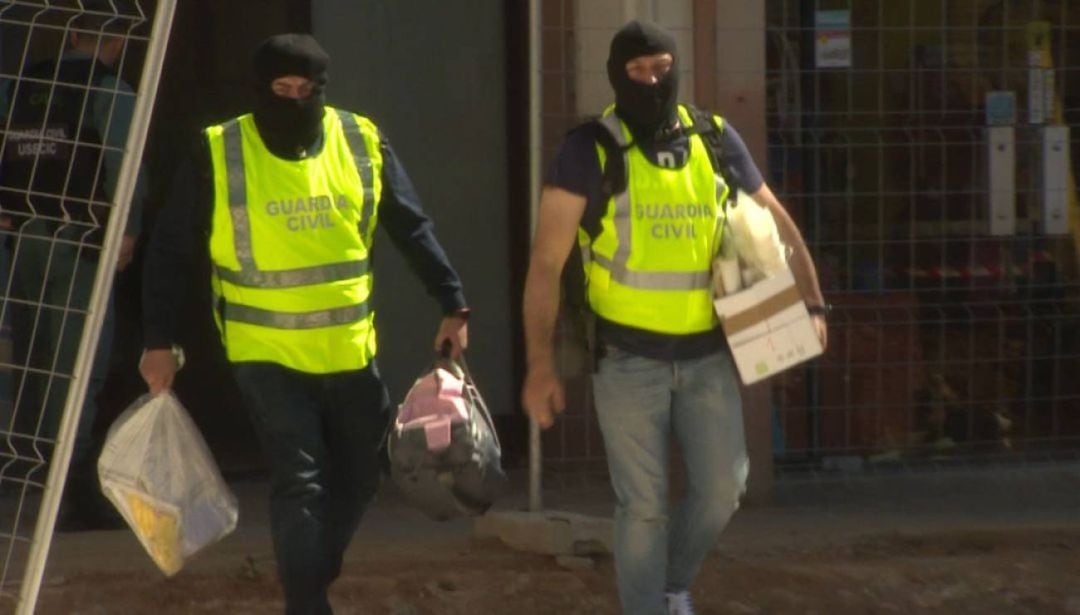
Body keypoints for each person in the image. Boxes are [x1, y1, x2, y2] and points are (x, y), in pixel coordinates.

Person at [139, 34, 469, 615]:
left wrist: (452, 300)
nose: (295, 102)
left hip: (349, 351)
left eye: (306, 91)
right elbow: (168, 251)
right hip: (265, 353)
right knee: (301, 479)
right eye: (281, 90)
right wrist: (158, 340)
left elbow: (410, 226)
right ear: (260, 90)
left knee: (365, 473)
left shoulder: (359, 141)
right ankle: (307, 603)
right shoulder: (220, 151)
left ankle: (311, 575)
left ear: (322, 91)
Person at [521, 21, 827, 615]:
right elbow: (545, 263)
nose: (653, 81)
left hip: (708, 356)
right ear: (616, 75)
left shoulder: (713, 138)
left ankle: (669, 585)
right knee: (644, 505)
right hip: (626, 362)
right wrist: (540, 364)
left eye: (662, 67)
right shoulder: (589, 149)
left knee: (723, 488)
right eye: (638, 71)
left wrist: (813, 303)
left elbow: (776, 219)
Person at [0, 7, 145, 531]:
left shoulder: (24, 85)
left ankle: (37, 474)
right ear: (117, 41)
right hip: (81, 241)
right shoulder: (108, 88)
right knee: (79, 360)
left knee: (37, 359)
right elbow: (125, 162)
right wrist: (127, 228)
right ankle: (70, 489)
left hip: (25, 240)